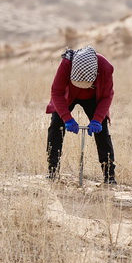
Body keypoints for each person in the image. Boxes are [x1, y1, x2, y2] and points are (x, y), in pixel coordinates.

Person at [46, 45, 116, 184]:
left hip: (93, 98)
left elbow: (107, 96)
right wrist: (67, 118)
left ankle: (110, 177)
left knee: (102, 132)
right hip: (68, 95)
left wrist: (97, 119)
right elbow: (56, 92)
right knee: (56, 127)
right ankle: (52, 171)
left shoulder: (105, 67)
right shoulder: (66, 63)